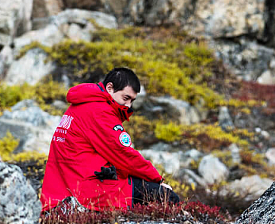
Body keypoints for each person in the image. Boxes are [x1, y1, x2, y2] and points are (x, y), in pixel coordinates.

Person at [40, 67, 179, 212]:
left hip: (63, 188)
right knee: (167, 197)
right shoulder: (100, 112)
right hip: (89, 190)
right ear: (110, 88)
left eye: (132, 101)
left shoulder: (82, 104)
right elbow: (124, 155)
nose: (128, 105)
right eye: (126, 98)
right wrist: (157, 180)